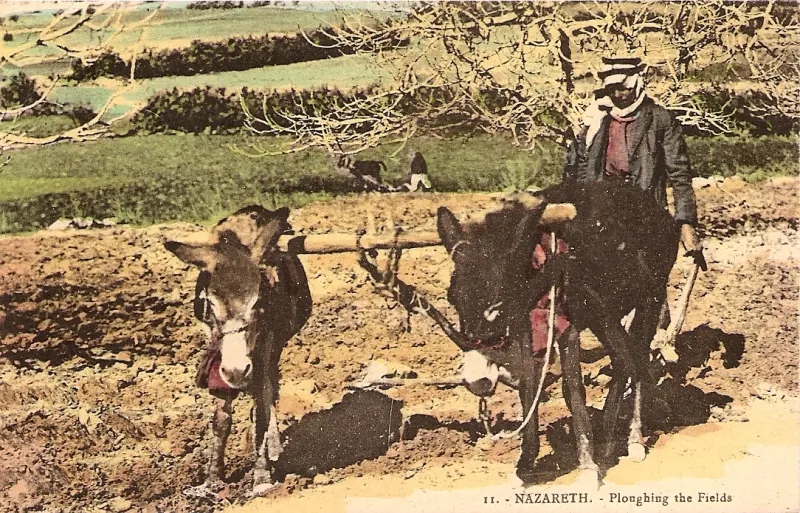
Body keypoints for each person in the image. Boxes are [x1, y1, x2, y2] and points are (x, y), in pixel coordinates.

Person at [562, 56, 705, 345]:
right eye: (612, 89)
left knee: (648, 282)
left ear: (637, 84)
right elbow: (577, 169)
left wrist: (686, 222)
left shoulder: (660, 120)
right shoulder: (596, 121)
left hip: (646, 214)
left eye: (624, 87)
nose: (618, 94)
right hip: (603, 212)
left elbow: (679, 173)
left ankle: (650, 339)